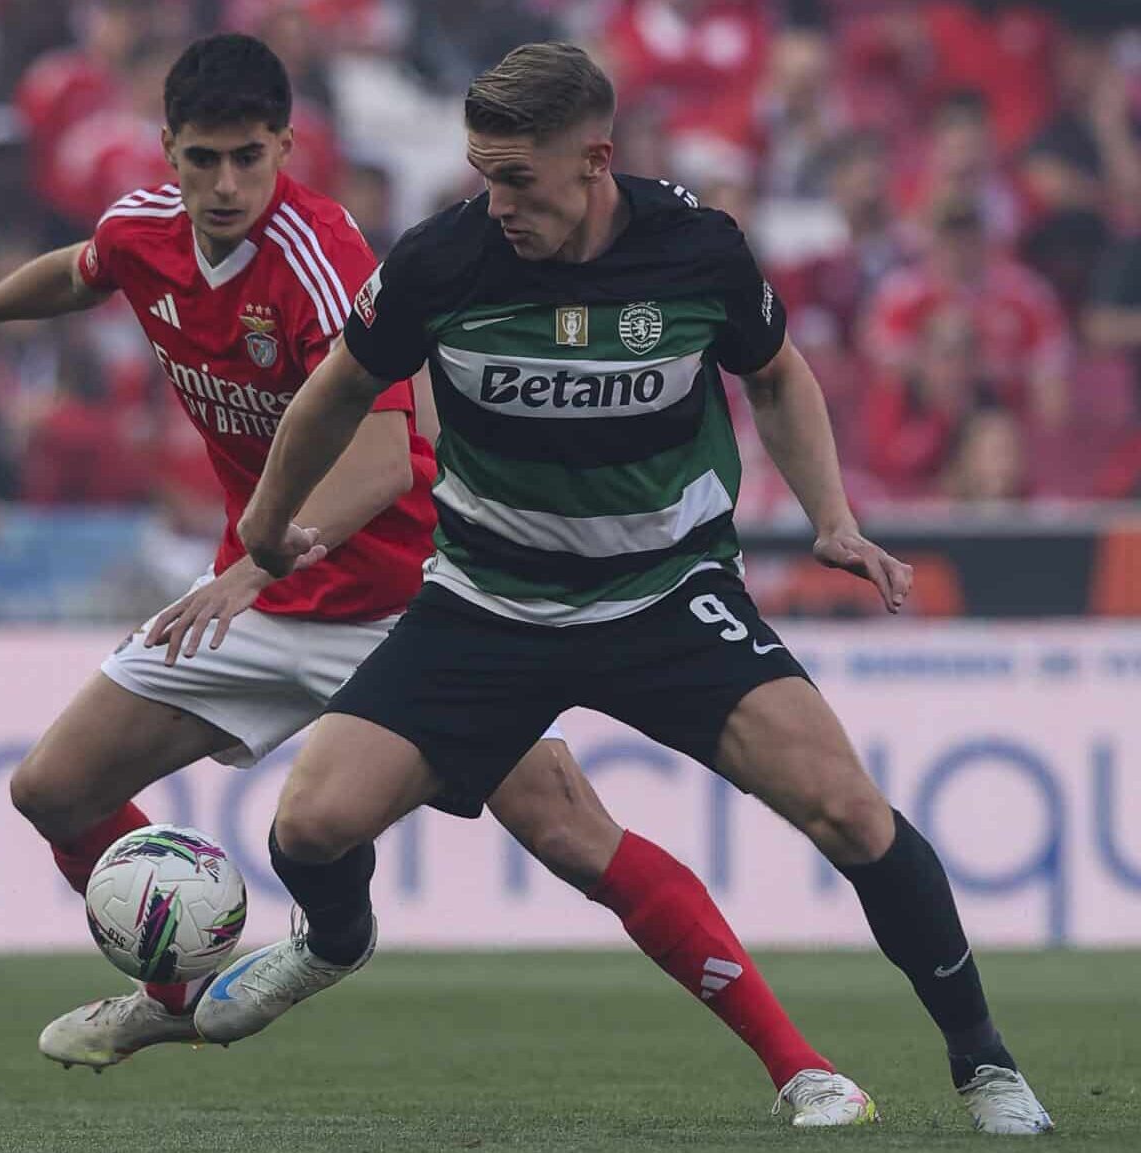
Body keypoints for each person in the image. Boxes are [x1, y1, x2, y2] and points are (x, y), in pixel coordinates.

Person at [0, 33, 871, 1126]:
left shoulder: (318, 256)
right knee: (49, 787)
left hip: (412, 601)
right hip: (256, 590)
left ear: (285, 148)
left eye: (247, 159)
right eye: (200, 160)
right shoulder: (143, 231)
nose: (222, 185)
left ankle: (800, 1066)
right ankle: (171, 991)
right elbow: (79, 270)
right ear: (165, 150)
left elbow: (388, 453)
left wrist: (252, 568)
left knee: (569, 832)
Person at [210, 41, 1051, 1137]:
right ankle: (329, 940)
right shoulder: (440, 261)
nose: (493, 200)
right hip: (486, 607)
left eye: (516, 178)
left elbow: (778, 374)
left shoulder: (693, 248)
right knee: (310, 824)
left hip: (666, 596)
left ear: (594, 160)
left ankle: (982, 1061)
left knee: (847, 809)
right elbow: (332, 392)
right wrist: (266, 529)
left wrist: (830, 518)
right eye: (480, 173)